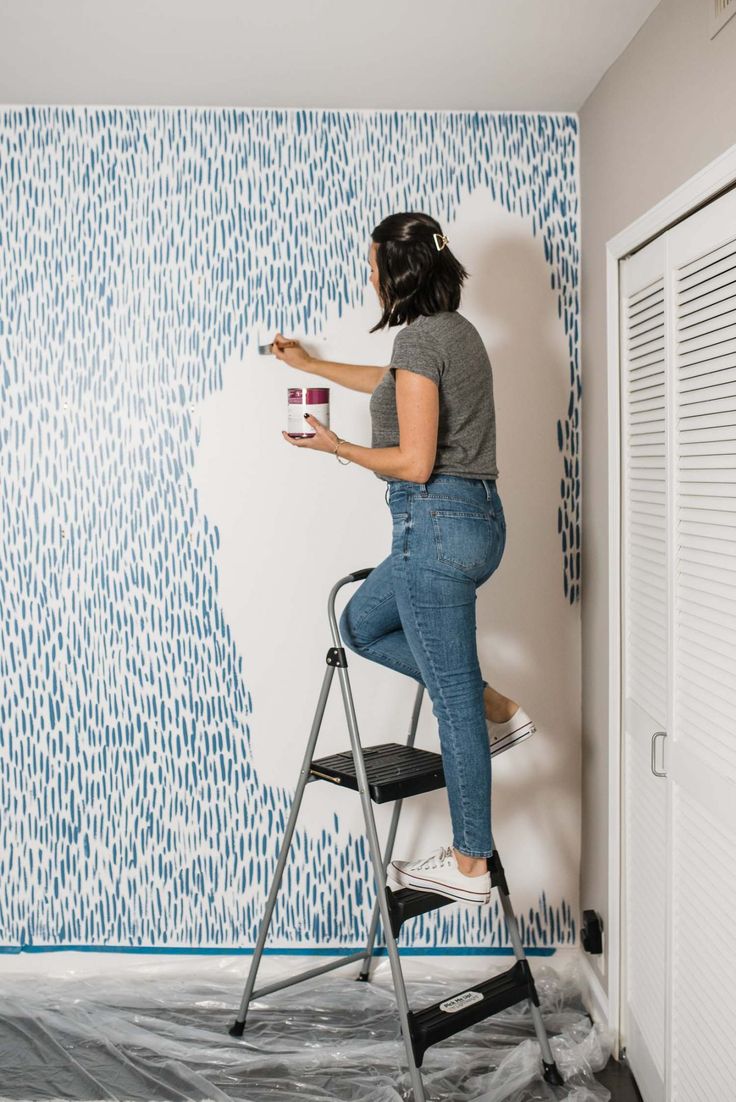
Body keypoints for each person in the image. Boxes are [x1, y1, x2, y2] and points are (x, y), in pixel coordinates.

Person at [273, 210, 534, 906]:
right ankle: (495, 702)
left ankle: (469, 864)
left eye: (372, 267)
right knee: (361, 625)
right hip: (476, 522)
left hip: (434, 527)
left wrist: (339, 449)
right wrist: (310, 365)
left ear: (399, 273)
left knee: (450, 704)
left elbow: (414, 463)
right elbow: (391, 380)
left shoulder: (421, 342)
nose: (368, 277)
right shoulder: (455, 334)